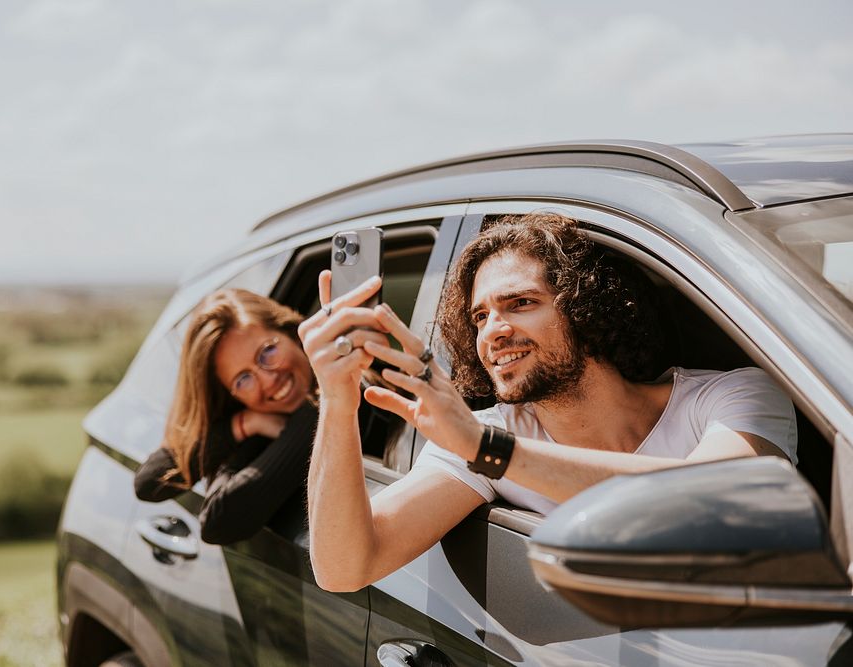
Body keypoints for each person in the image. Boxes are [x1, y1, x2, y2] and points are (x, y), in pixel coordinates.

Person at [299, 213, 798, 592]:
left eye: (520, 303)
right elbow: (345, 568)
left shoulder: (732, 396)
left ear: (586, 307)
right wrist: (338, 400)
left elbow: (719, 500)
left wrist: (491, 450)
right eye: (478, 317)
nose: (493, 330)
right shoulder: (478, 435)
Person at [134, 288, 390, 545]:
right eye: (243, 379)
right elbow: (148, 482)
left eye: (267, 353)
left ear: (290, 333)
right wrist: (243, 425)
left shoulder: (338, 395)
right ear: (232, 396)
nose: (267, 380)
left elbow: (217, 521)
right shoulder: (262, 421)